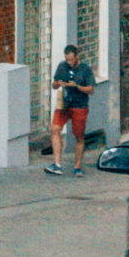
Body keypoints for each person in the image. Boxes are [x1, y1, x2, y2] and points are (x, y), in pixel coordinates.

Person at [45, 40, 95, 177]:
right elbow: (54, 85)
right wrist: (58, 83)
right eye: (67, 59)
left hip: (79, 105)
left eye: (71, 60)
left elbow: (91, 90)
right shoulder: (62, 67)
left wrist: (77, 86)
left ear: (77, 57)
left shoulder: (85, 69)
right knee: (55, 128)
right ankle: (57, 164)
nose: (69, 62)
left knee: (79, 136)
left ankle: (77, 166)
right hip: (64, 104)